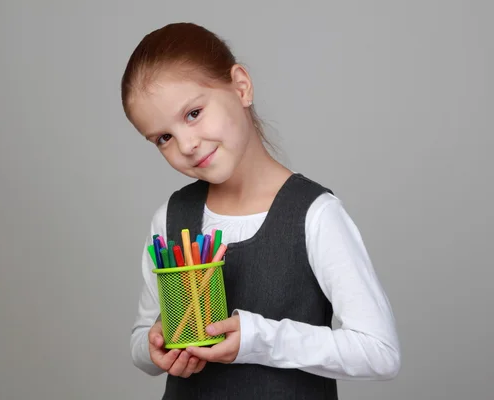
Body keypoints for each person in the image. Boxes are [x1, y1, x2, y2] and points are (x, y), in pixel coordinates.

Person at [120, 22, 401, 399]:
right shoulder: (170, 218)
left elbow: (380, 352)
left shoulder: (315, 215)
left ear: (240, 86)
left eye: (193, 113)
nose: (186, 144)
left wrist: (258, 339)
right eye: (163, 138)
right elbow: (142, 338)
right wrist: (155, 346)